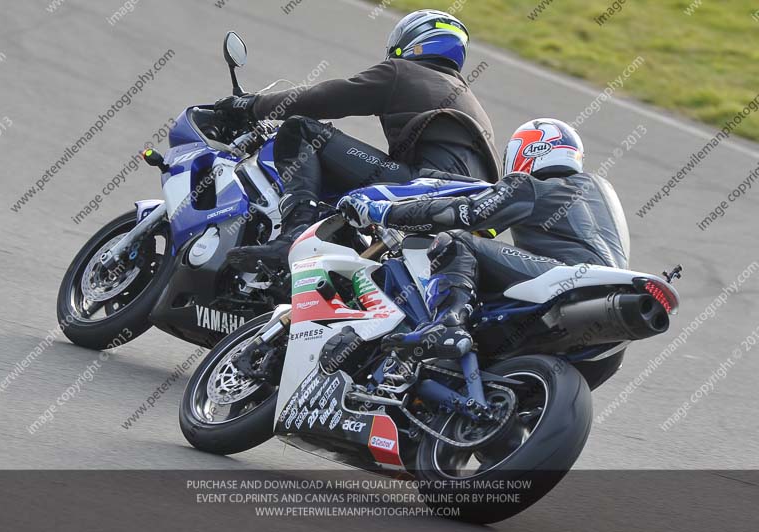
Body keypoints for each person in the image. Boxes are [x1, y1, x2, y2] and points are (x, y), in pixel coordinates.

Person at [215, 9, 500, 273]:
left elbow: (325, 98)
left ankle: (293, 237)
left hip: (420, 188)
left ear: (409, 42)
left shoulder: (403, 72)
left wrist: (251, 105)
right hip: (465, 215)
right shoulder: (468, 100)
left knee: (300, 130)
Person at [338, 118, 631, 359]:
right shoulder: (600, 190)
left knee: (457, 242)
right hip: (611, 302)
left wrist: (382, 212)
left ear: (528, 151)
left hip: (568, 277)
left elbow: (463, 213)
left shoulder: (530, 186)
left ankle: (447, 325)